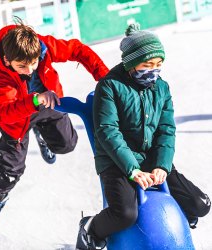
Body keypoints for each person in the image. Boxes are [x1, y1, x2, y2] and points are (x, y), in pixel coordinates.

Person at [75, 23, 211, 250]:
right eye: (147, 65)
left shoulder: (162, 88)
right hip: (117, 163)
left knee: (199, 205)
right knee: (126, 214)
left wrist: (162, 166)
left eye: (159, 65)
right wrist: (132, 169)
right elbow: (108, 130)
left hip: (151, 158)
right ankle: (90, 228)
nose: (154, 71)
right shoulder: (109, 86)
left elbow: (166, 130)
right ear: (130, 63)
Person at [0, 18, 109, 235]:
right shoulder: (1, 74)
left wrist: (104, 78)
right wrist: (34, 101)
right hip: (18, 118)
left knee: (67, 144)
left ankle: (43, 135)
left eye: (34, 63)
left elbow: (78, 49)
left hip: (50, 102)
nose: (29, 70)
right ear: (8, 60)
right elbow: (3, 114)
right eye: (22, 66)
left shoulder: (43, 47)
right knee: (12, 167)